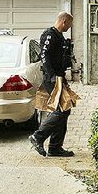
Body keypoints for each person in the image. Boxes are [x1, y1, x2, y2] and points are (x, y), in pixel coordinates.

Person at [29, 12, 76, 157]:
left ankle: (55, 147)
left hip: (60, 77)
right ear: (63, 21)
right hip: (53, 79)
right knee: (61, 111)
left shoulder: (60, 37)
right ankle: (38, 137)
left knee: (65, 108)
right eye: (69, 24)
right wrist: (52, 76)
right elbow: (44, 56)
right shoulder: (49, 34)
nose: (69, 27)